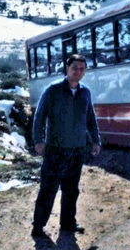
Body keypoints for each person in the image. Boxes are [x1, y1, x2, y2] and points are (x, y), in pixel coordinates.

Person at [31, 53, 101, 239]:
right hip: (55, 149)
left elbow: (90, 118)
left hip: (77, 149)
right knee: (49, 188)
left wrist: (95, 140)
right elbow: (39, 116)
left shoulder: (85, 92)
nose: (78, 71)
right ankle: (38, 226)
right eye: (74, 68)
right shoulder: (53, 90)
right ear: (67, 69)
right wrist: (39, 140)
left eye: (81, 68)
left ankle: (68, 223)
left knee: (71, 189)